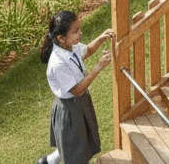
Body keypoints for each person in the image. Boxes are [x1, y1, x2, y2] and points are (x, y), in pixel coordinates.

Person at [37, 11, 113, 164]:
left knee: (76, 140)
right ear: (61, 38)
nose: (80, 33)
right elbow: (77, 90)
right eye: (75, 31)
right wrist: (98, 67)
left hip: (79, 103)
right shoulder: (57, 64)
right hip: (70, 108)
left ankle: (49, 161)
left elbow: (87, 51)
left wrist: (102, 37)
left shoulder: (71, 47)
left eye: (79, 28)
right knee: (76, 148)